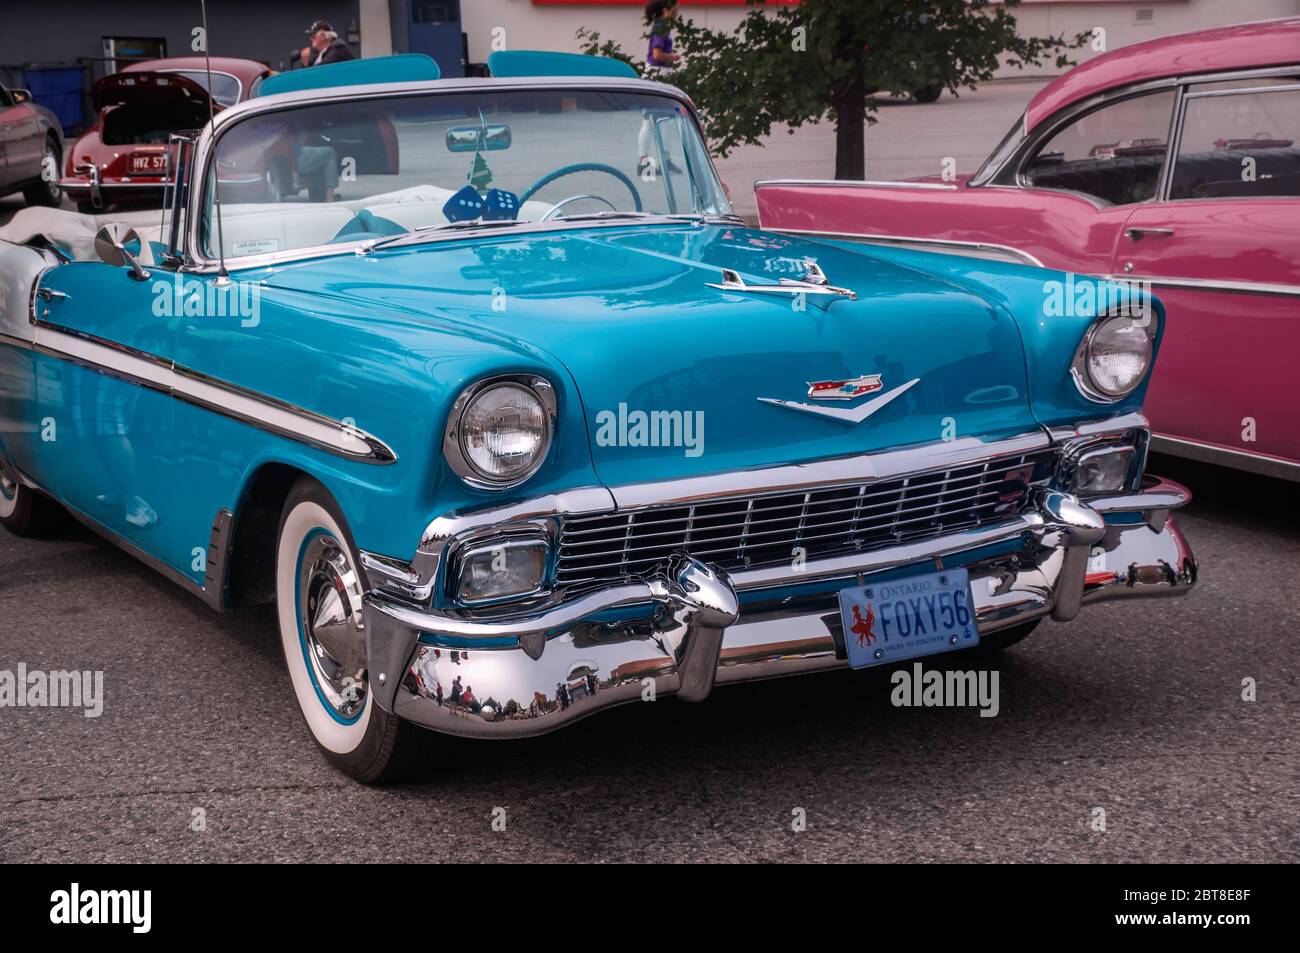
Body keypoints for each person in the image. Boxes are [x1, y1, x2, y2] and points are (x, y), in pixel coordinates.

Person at [644, 1, 682, 71]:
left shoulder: (663, 26)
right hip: (657, 69)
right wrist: (673, 56)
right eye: (674, 11)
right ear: (665, 11)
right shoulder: (661, 28)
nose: (676, 14)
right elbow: (657, 55)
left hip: (660, 69)